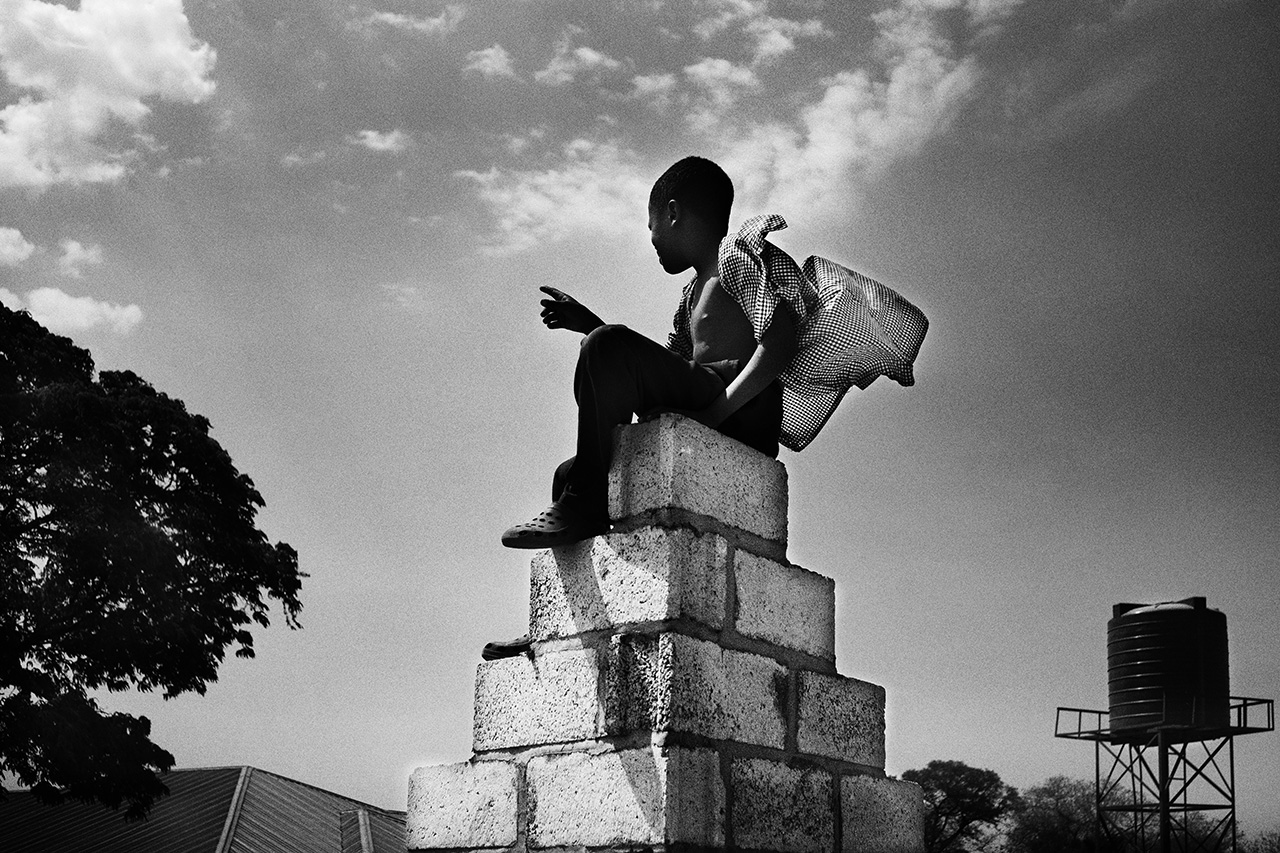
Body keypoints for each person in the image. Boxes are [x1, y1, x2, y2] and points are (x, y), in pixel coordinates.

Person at [500, 156, 793, 549]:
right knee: (567, 474)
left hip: (742, 409)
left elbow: (780, 343)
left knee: (607, 345)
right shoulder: (691, 293)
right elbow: (655, 370)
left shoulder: (736, 256)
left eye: (650, 226)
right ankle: (591, 521)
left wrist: (713, 414)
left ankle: (583, 503)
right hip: (710, 393)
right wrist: (592, 326)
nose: (651, 239)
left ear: (672, 213)